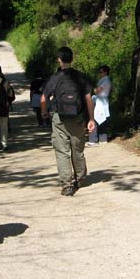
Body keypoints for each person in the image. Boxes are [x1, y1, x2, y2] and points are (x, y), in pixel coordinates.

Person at [40, 46, 96, 196]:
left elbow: (44, 98)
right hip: (78, 118)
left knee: (62, 151)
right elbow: (88, 99)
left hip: (59, 118)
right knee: (77, 149)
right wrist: (91, 119)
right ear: (72, 59)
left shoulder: (55, 78)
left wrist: (44, 113)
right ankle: (81, 178)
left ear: (59, 60)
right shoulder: (81, 77)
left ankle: (67, 185)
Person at [88, 65, 111, 145]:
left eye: (101, 72)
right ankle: (103, 139)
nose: (99, 74)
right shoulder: (105, 80)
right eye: (99, 72)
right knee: (102, 119)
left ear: (105, 72)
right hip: (102, 101)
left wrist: (92, 89)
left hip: (100, 101)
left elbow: (97, 91)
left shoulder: (105, 80)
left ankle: (93, 140)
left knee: (95, 119)